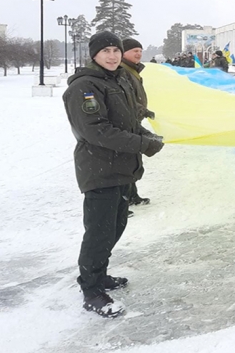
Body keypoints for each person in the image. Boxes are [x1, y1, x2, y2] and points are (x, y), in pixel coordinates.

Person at [63, 32, 165, 318]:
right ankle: (92, 289)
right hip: (99, 168)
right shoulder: (84, 87)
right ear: (94, 54)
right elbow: (96, 131)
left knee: (116, 225)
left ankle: (100, 274)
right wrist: (144, 144)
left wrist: (148, 135)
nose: (112, 56)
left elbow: (131, 122)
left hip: (121, 168)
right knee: (99, 232)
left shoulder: (119, 80)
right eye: (105, 50)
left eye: (115, 50)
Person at [120, 38, 155, 209]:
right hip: (125, 120)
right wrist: (142, 110)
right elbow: (126, 98)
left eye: (140, 50)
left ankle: (131, 195)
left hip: (132, 119)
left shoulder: (131, 70)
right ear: (124, 52)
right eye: (134, 50)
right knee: (125, 160)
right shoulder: (123, 71)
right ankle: (123, 200)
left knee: (132, 158)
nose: (139, 54)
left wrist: (142, 111)